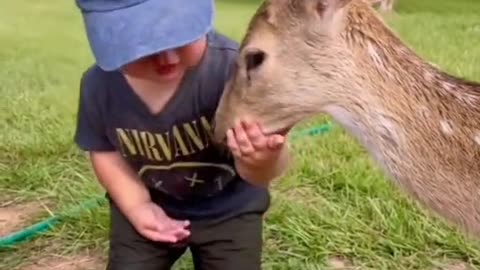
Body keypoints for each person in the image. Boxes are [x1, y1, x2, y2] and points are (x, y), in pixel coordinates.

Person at [73, 0, 290, 269]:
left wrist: (263, 159)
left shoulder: (235, 71)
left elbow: (263, 172)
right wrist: (137, 206)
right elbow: (106, 152)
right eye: (143, 43)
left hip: (231, 211)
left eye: (181, 36)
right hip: (151, 204)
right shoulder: (99, 87)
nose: (168, 59)